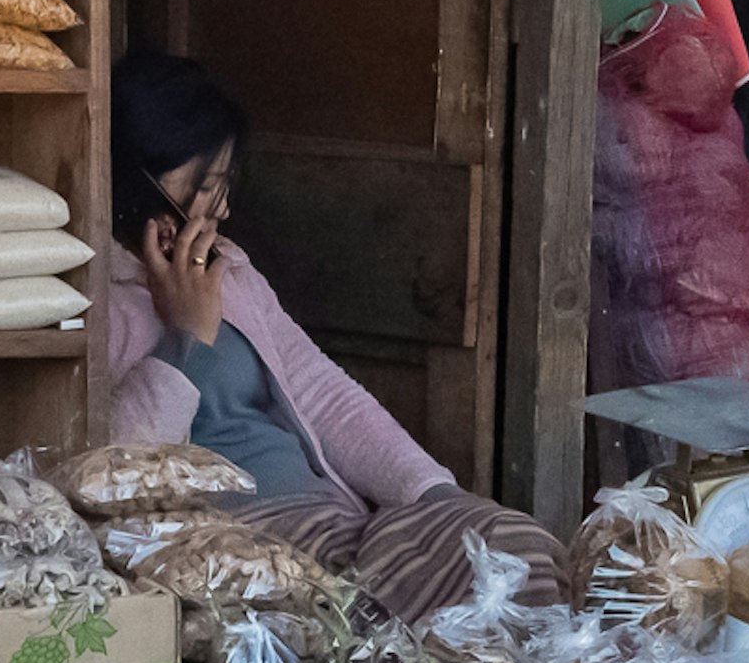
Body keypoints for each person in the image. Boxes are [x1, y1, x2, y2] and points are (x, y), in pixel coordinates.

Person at [98, 50, 563, 623]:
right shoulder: (95, 303)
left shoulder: (232, 272)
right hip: (242, 545)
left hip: (338, 521)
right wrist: (182, 339)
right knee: (393, 615)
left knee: (512, 543)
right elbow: (113, 476)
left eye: (224, 187)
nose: (219, 209)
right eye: (202, 186)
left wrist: (431, 492)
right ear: (139, 185)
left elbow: (324, 393)